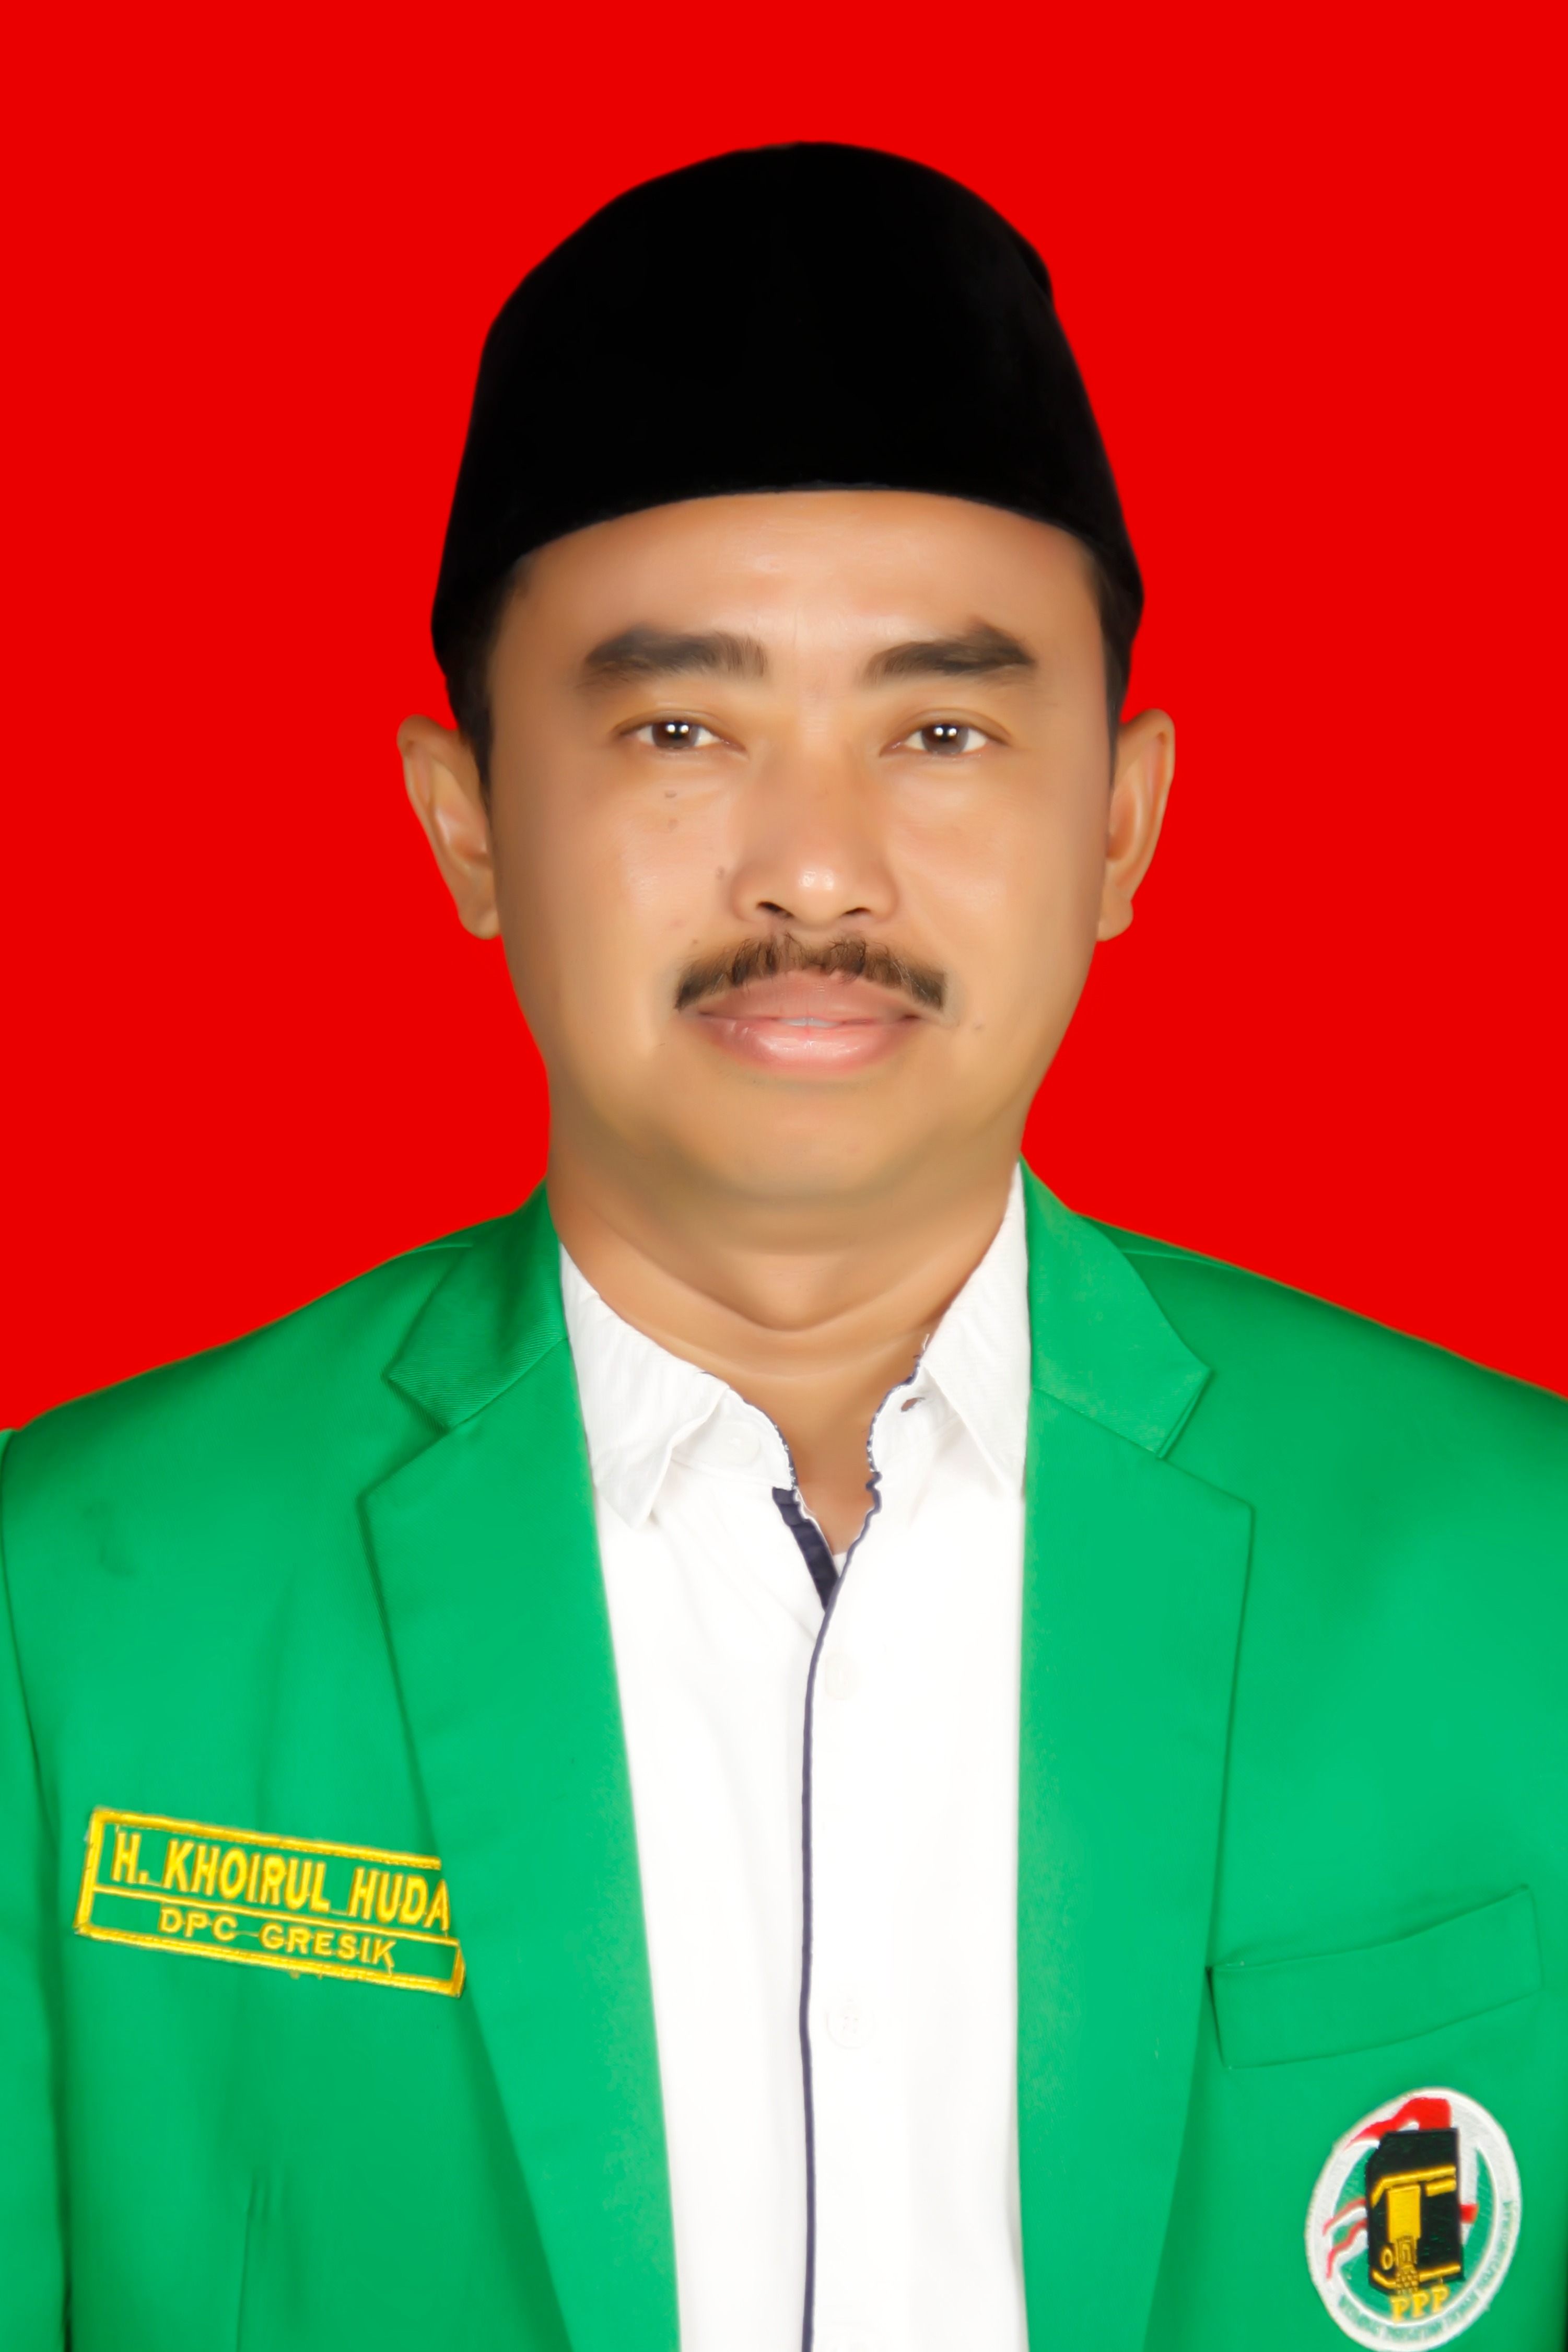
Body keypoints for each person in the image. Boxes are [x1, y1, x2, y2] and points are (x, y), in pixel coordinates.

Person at [2, 142, 1563, 2352]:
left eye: (940, 728)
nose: (814, 869)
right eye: (677, 726)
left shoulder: (1519, 1576)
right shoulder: (73, 1618)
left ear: (1120, 822)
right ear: (466, 820)